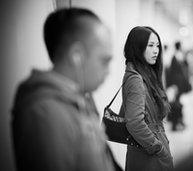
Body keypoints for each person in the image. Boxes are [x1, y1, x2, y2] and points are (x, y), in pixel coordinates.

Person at [11, 8, 120, 171]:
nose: (108, 71)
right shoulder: (45, 113)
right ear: (77, 55)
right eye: (104, 61)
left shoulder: (80, 99)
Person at [119, 26, 173, 171]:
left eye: (157, 46)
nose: (156, 51)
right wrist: (158, 148)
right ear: (137, 47)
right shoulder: (136, 79)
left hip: (147, 153)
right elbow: (134, 122)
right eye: (150, 46)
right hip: (147, 157)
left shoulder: (145, 74)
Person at [166, 41, 191, 131]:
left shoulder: (180, 56)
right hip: (176, 85)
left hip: (180, 85)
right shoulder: (174, 57)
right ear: (179, 46)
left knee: (178, 103)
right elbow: (173, 72)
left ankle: (179, 121)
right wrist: (174, 85)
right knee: (176, 103)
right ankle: (176, 123)